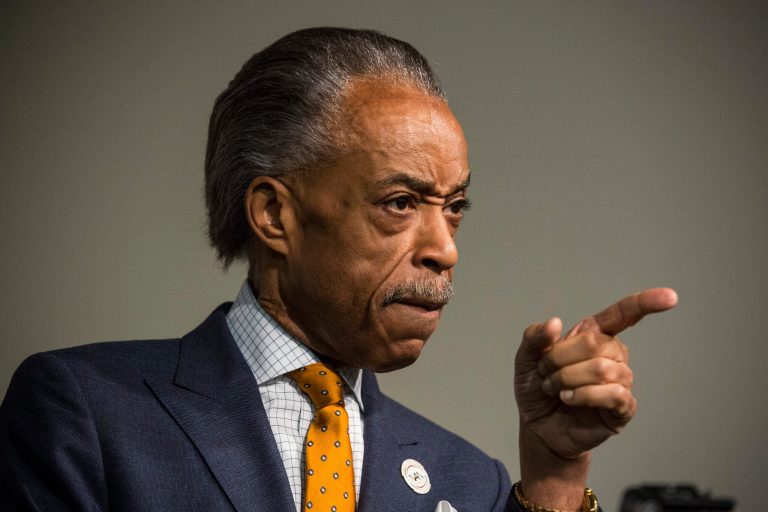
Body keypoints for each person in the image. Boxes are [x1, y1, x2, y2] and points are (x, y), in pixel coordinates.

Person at [0, 27, 677, 512]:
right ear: (274, 216)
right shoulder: (86, 413)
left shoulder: (471, 482)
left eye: (456, 206)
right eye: (401, 202)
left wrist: (556, 474)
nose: (446, 247)